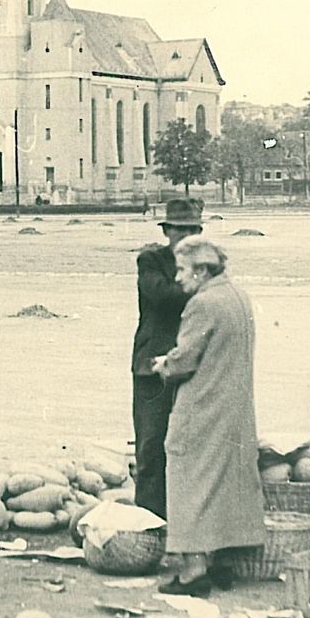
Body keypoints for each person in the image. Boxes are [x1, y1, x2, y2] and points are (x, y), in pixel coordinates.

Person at [152, 235, 265, 596]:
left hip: (202, 407)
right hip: (233, 409)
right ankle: (221, 563)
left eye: (183, 271)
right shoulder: (237, 297)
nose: (178, 279)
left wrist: (163, 364)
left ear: (202, 270)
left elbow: (185, 360)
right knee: (225, 483)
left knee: (188, 479)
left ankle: (193, 571)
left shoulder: (202, 304)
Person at [131, 196, 203, 520]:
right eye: (179, 230)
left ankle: (183, 521)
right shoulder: (150, 261)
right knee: (150, 445)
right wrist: (199, 284)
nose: (185, 237)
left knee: (189, 446)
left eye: (191, 230)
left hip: (190, 366)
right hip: (152, 367)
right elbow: (162, 296)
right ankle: (149, 522)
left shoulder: (202, 267)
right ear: (167, 231)